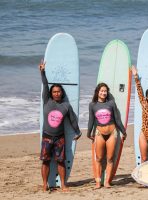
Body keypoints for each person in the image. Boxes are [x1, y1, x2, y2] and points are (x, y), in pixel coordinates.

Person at [39, 60, 82, 192]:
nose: (56, 93)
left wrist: (78, 131)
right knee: (45, 161)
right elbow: (45, 85)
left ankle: (63, 185)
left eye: (58, 91)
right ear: (51, 93)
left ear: (61, 93)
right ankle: (45, 184)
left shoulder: (66, 106)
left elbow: (72, 120)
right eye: (54, 92)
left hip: (60, 138)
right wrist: (42, 72)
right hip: (47, 136)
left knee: (61, 161)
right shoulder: (47, 101)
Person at [87, 83, 127, 188]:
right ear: (98, 92)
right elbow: (91, 120)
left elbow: (117, 119)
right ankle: (98, 182)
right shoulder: (92, 105)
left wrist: (123, 131)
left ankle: (107, 182)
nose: (103, 93)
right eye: (101, 91)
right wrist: (89, 133)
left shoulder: (111, 103)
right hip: (99, 133)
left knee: (110, 158)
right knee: (99, 158)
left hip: (112, 132)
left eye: (105, 91)